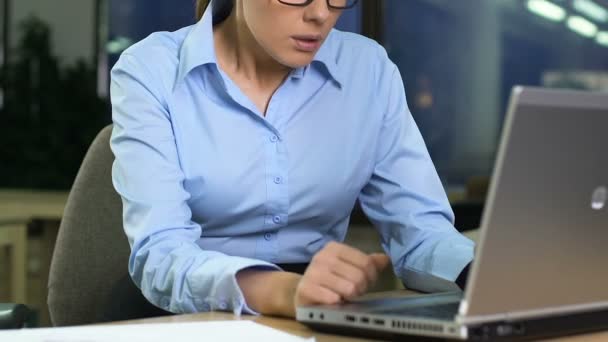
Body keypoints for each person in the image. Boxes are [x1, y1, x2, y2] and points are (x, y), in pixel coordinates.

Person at [109, 0, 474, 319]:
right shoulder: (150, 71)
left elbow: (421, 235)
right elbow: (160, 253)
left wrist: (484, 274)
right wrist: (286, 291)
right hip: (194, 316)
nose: (320, 14)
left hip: (317, 314)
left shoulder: (368, 71)